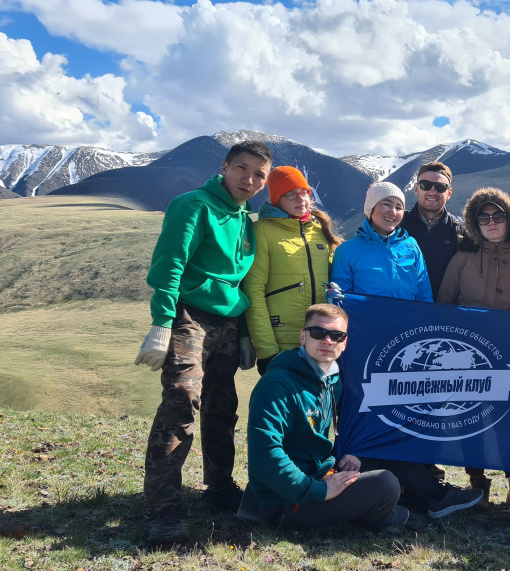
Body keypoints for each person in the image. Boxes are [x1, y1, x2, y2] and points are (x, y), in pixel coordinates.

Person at [134, 140, 272, 544]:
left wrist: (244, 332)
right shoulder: (192, 205)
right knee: (181, 400)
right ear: (225, 166)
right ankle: (162, 508)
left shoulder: (247, 218)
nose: (249, 179)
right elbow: (169, 265)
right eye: (242, 169)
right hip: (190, 315)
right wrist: (162, 323)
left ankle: (219, 487)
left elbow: (243, 280)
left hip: (229, 321)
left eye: (259, 174)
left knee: (221, 405)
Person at [247, 304, 484, 526]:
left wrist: (355, 449)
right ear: (303, 336)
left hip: (322, 472)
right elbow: (264, 454)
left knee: (381, 440)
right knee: (385, 484)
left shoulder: (331, 378)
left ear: (345, 342)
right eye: (318, 332)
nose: (327, 340)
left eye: (336, 335)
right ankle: (376, 511)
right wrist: (318, 490)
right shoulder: (277, 385)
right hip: (288, 501)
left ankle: (435, 496)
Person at [436, 188, 510, 507]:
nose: (492, 222)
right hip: (466, 357)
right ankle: (477, 483)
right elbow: (444, 305)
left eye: (498, 216)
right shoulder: (463, 258)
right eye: (484, 218)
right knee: (473, 418)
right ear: (475, 223)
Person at [242, 166, 343, 375]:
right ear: (277, 199)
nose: (301, 199)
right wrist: (266, 350)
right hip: (282, 345)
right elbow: (253, 291)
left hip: (322, 341)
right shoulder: (261, 230)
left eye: (304, 192)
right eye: (291, 194)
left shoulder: (321, 231)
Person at [330, 181, 432, 301]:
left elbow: (424, 291)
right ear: (371, 208)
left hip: (408, 318)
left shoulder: (411, 245)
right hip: (367, 319)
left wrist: (425, 317)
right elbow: (341, 299)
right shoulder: (346, 251)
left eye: (399, 207)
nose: (393, 211)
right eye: (387, 204)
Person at [400, 162, 463, 299]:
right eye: (425, 185)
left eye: (440, 187)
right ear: (416, 189)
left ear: (449, 193)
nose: (432, 192)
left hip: (444, 312)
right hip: (403, 307)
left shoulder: (461, 230)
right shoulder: (397, 224)